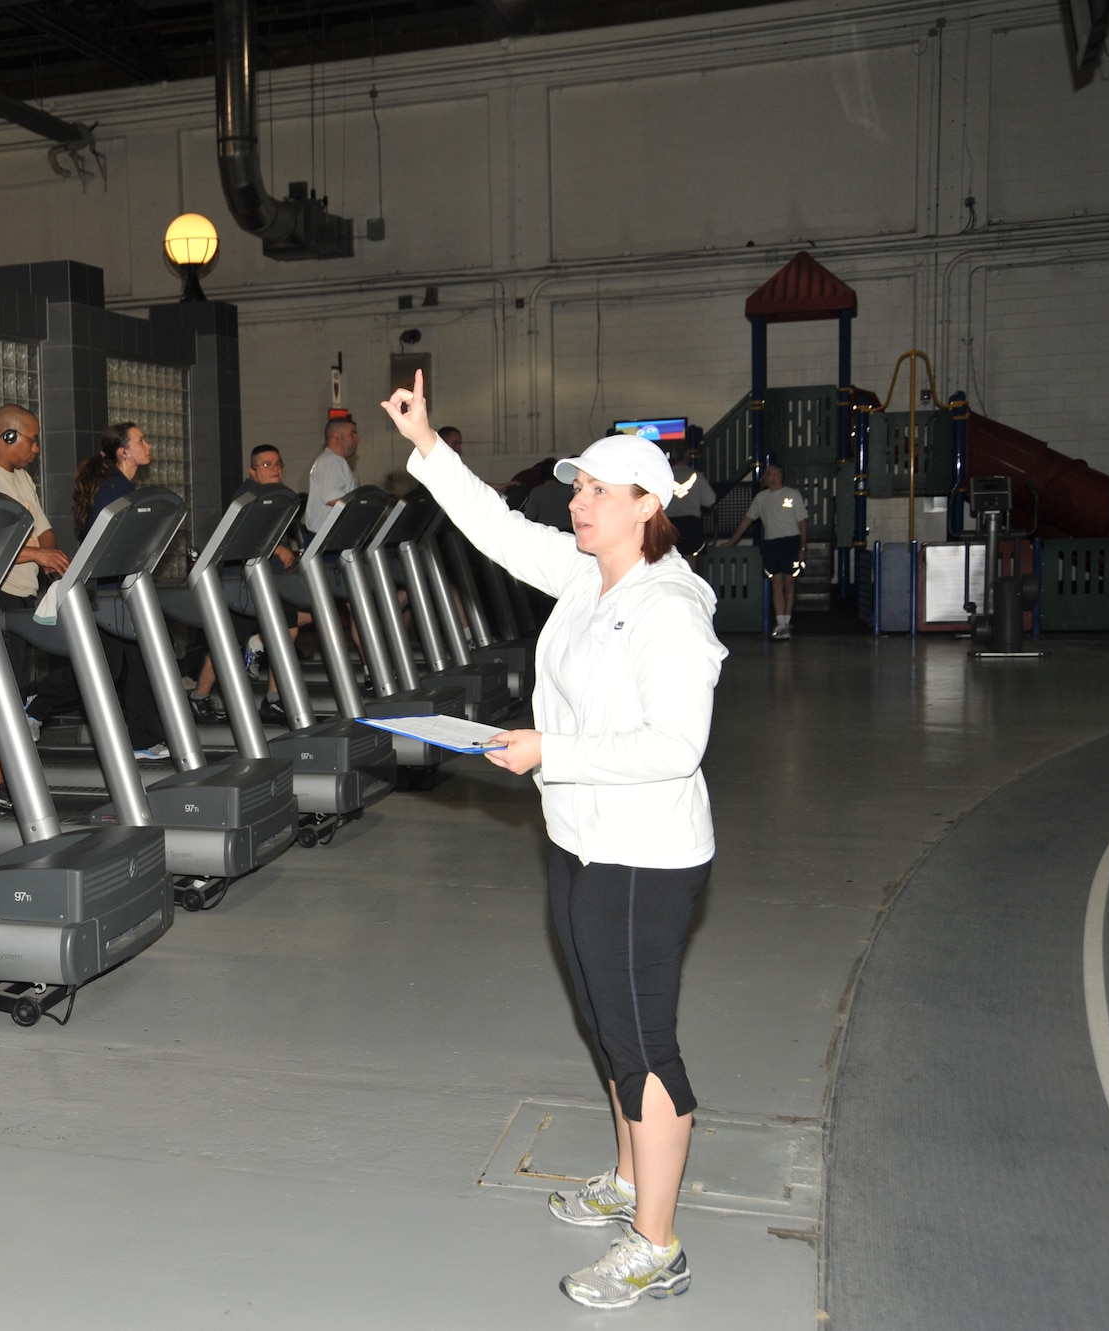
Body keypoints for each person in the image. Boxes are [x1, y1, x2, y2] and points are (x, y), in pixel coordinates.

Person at [381, 369, 726, 1311]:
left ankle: (657, 1244)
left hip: (645, 854)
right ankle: (626, 1178)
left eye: (596, 491)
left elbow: (675, 746)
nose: (576, 502)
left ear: (645, 506)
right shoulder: (586, 575)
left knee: (644, 1041)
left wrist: (547, 749)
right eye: (575, 488)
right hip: (581, 836)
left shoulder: (669, 608)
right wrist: (427, 448)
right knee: (602, 1016)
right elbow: (494, 530)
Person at [0, 405, 70, 811]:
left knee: (15, 693)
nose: (36, 449)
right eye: (32, 440)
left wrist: (47, 551)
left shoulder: (20, 478)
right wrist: (39, 556)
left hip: (22, 595)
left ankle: (9, 778)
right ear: (8, 438)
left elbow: (44, 527)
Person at [190, 445, 311, 727]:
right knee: (227, 643)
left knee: (287, 625)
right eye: (267, 465)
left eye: (278, 464)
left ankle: (272, 697)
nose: (275, 469)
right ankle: (200, 696)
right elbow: (242, 536)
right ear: (252, 471)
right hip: (238, 582)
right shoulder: (246, 497)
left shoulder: (277, 496)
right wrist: (277, 548)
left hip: (263, 580)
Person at [67, 422, 167, 752]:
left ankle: (143, 738)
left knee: (134, 662)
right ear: (124, 451)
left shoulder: (120, 487)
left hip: (119, 587)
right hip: (108, 590)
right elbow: (108, 542)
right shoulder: (114, 490)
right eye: (141, 440)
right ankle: (39, 704)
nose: (148, 445)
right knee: (108, 666)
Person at [720, 461, 807, 639]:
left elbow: (802, 522)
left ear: (779, 475)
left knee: (789, 583)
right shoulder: (761, 497)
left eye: (770, 472)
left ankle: (786, 624)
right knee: (776, 583)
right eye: (766, 473)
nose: (766, 475)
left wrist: (803, 547)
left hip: (791, 542)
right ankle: (780, 623)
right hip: (772, 543)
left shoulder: (792, 494)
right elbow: (747, 520)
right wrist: (732, 541)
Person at [304, 414, 359, 534]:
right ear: (337, 436)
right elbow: (332, 497)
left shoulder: (336, 461)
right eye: (352, 434)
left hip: (332, 535)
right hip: (326, 538)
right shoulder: (330, 461)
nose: (357, 439)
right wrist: (365, 508)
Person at [665, 442, 716, 557]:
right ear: (689, 457)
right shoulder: (697, 476)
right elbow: (710, 501)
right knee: (691, 556)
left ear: (672, 457)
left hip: (668, 524)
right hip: (691, 524)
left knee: (668, 557)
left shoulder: (666, 476)